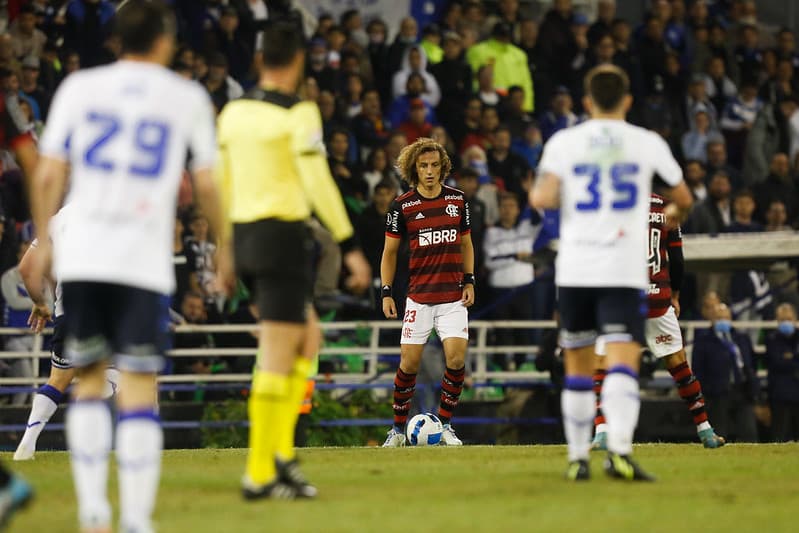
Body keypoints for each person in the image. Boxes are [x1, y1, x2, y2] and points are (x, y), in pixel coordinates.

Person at [27, 3, 231, 531]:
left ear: (116, 38)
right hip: (141, 260)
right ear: (166, 40)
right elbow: (206, 184)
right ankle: (137, 517)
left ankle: (94, 509)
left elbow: (48, 172)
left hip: (86, 257)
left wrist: (43, 237)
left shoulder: (79, 88)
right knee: (139, 384)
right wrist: (225, 245)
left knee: (90, 381)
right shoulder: (186, 97)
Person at [215, 19, 370, 500]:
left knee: (308, 340)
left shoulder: (233, 113)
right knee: (281, 351)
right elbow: (316, 178)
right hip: (282, 236)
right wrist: (349, 244)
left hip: (245, 236)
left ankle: (282, 456)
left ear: (259, 61)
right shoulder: (300, 113)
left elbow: (222, 183)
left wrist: (223, 250)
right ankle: (260, 473)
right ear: (299, 62)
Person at [530, 64, 692, 481]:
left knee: (580, 366)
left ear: (586, 102)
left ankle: (577, 459)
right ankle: (619, 452)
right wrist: (673, 214)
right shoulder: (647, 142)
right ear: (627, 101)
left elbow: (542, 197)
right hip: (622, 268)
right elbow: (683, 198)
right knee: (623, 361)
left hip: (577, 267)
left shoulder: (564, 141)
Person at [592, 193, 725, 450]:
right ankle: (705, 430)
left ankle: (602, 431)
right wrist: (674, 294)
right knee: (679, 367)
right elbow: (676, 258)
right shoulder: (664, 207)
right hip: (657, 299)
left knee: (601, 367)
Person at [380, 137, 475, 447]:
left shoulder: (458, 200)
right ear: (414, 169)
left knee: (456, 359)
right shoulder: (402, 205)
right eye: (424, 166)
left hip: (452, 296)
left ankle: (445, 425)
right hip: (418, 297)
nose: (430, 171)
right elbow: (390, 252)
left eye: (435, 165)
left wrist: (470, 280)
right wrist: (386, 291)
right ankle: (396, 430)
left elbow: (466, 243)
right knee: (408, 364)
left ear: (443, 167)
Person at [14, 205, 120, 461]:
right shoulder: (116, 210)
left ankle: (27, 445)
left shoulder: (57, 220)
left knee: (58, 380)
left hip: (68, 310)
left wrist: (41, 303)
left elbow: (26, 269)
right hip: (107, 310)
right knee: (130, 376)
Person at [692, 303, 759, 442]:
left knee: (749, 432)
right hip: (717, 393)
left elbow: (752, 363)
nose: (722, 320)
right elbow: (698, 369)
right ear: (711, 319)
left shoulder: (741, 338)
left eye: (725, 317)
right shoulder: (704, 340)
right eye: (718, 317)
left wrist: (753, 389)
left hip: (741, 391)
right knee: (720, 432)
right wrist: (706, 392)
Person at [766, 303, 799, 442]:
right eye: (783, 319)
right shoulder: (772, 338)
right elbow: (777, 362)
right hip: (780, 393)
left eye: (789, 318)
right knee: (780, 436)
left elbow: (784, 361)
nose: (786, 322)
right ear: (778, 321)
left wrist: (789, 357)